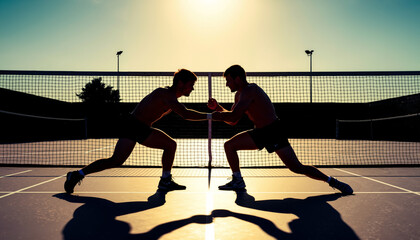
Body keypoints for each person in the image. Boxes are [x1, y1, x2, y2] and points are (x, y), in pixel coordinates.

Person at [207, 65, 353, 195]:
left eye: (228, 80)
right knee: (229, 145)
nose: (227, 84)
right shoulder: (239, 95)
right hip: (260, 132)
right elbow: (233, 120)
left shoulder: (250, 90)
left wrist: (211, 115)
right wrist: (218, 108)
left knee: (296, 167)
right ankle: (238, 180)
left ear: (237, 78)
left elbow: (233, 116)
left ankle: (331, 181)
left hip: (273, 131)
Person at [65, 69, 212, 193]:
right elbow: (185, 114)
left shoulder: (170, 97)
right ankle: (165, 180)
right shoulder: (165, 94)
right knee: (169, 145)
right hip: (135, 126)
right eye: (191, 85)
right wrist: (212, 116)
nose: (192, 89)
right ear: (181, 83)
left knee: (116, 160)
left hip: (135, 126)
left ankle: (77, 174)